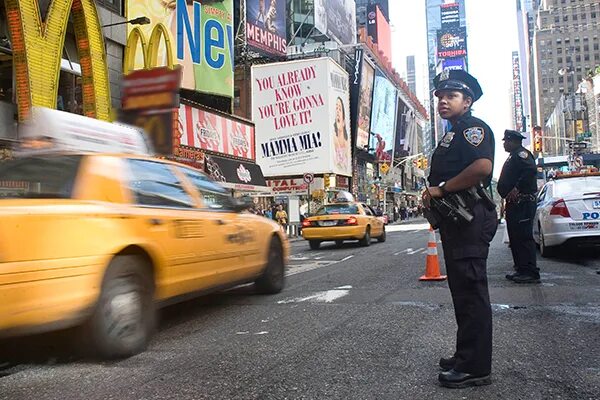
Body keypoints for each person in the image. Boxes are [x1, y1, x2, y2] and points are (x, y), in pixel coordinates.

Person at [422, 69, 497, 389]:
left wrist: (442, 188)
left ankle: (475, 366)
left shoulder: (473, 129)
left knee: (471, 293)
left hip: (469, 219)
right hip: (458, 221)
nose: (443, 101)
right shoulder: (455, 130)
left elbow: (482, 168)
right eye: (440, 96)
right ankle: (466, 354)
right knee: (462, 292)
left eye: (451, 96)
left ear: (467, 101)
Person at [497, 130, 540, 284]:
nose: (504, 144)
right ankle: (521, 269)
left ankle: (530, 271)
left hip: (523, 202)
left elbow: (530, 171)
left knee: (523, 237)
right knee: (515, 237)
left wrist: (517, 188)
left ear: (513, 141)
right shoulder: (513, 155)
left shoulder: (522, 154)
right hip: (515, 204)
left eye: (506, 141)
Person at [333, 97, 350, 173]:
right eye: (336, 108)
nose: (337, 112)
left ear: (344, 122)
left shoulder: (348, 145)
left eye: (339, 109)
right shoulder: (333, 140)